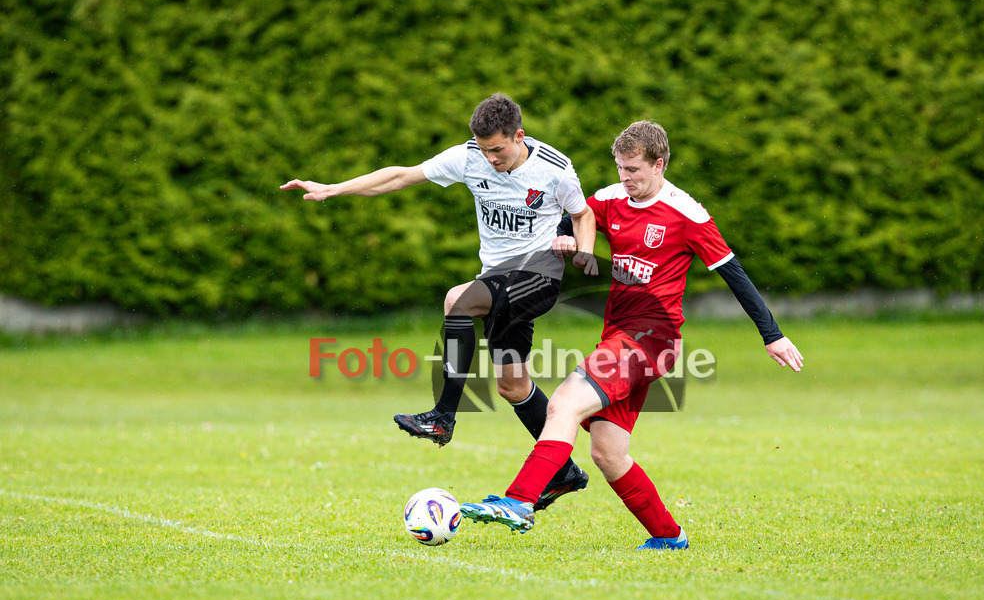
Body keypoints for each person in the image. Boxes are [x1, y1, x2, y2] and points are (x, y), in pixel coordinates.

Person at [460, 120, 804, 549]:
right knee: (607, 452)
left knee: (565, 402)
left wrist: (771, 335)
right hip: (618, 335)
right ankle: (668, 536)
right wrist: (567, 239)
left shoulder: (687, 214)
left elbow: (735, 276)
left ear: (659, 165)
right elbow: (575, 217)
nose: (625, 179)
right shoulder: (611, 198)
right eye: (620, 168)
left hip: (653, 338)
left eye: (634, 170)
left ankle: (518, 501)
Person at [281, 93, 599, 511]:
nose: (490, 160)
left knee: (457, 300)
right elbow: (401, 176)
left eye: (498, 150)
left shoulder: (554, 170)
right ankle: (563, 473)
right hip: (497, 280)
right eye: (484, 151)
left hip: (539, 277)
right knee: (512, 385)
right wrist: (335, 189)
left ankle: (443, 416)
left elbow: (583, 214)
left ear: (519, 136)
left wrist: (584, 251)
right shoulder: (468, 158)